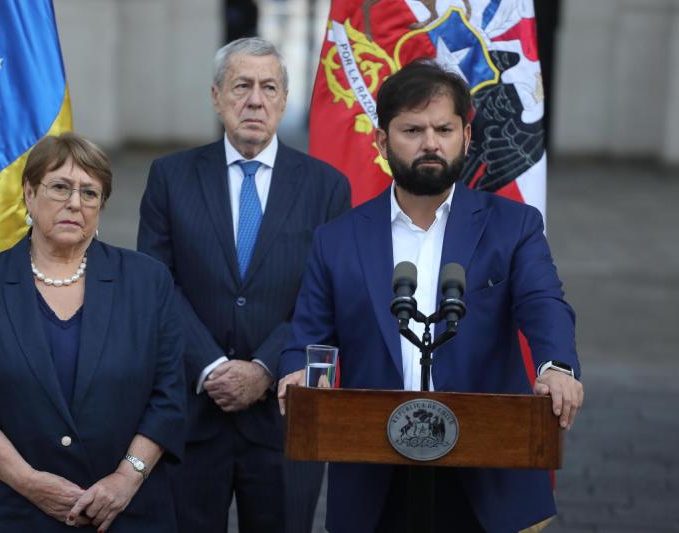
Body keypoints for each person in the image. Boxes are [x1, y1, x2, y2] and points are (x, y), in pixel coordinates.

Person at [278, 59, 584, 532]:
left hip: (486, 472)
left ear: (466, 135)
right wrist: (297, 373)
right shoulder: (337, 240)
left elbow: (543, 302)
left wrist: (556, 366)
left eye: (444, 128)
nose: (430, 143)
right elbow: (307, 335)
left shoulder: (513, 226)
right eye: (412, 129)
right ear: (381, 142)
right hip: (375, 473)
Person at [137, 37, 351, 532]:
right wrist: (211, 366)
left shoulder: (326, 187)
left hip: (282, 417)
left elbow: (330, 298)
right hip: (192, 414)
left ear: (283, 99)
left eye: (268, 87)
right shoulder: (170, 177)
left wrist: (264, 368)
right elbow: (157, 283)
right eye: (241, 86)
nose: (255, 100)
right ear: (216, 97)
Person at [0, 133, 185, 532]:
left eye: (90, 193)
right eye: (60, 187)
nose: (75, 202)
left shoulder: (147, 282)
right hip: (9, 512)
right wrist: (28, 482)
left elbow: (169, 397)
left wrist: (126, 477)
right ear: (29, 194)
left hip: (124, 513)